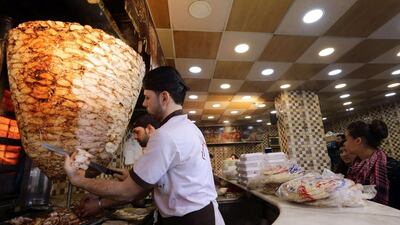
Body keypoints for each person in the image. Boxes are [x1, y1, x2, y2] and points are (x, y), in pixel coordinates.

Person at [64, 66, 225, 225]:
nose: (144, 103)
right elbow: (165, 180)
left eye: (147, 97)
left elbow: (128, 192)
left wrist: (79, 180)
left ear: (164, 98)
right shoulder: (190, 128)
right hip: (204, 215)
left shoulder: (166, 135)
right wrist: (131, 177)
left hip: (191, 220)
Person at [77, 113, 160, 217]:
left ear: (149, 129)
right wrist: (130, 176)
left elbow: (131, 192)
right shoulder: (157, 148)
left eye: (137, 132)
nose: (134, 137)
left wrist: (99, 203)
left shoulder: (157, 150)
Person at [344, 120, 390, 205]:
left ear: (358, 141)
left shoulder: (389, 167)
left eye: (346, 139)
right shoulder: (356, 164)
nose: (344, 143)